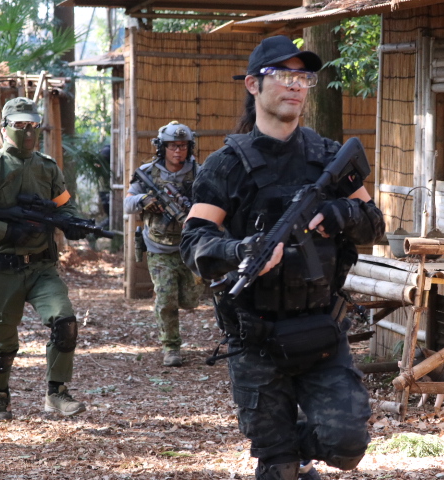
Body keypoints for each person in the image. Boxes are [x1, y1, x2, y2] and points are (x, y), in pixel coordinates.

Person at [180, 36, 386, 480]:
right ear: (253, 85)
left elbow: (374, 226)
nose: (295, 85)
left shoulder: (329, 158)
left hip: (321, 330)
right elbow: (194, 241)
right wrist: (240, 250)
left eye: (303, 77)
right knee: (279, 467)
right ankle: (284, 458)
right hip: (256, 338)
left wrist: (341, 212)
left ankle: (292, 452)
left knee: (347, 444)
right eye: (281, 75)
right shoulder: (226, 165)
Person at [0, 97, 88, 421]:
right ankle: (0, 396)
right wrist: (6, 230)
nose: (28, 132)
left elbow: (65, 207)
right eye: (20, 125)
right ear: (5, 129)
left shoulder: (47, 167)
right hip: (2, 271)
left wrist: (73, 224)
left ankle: (56, 392)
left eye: (33, 125)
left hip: (42, 267)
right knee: (3, 345)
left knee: (65, 323)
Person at [124, 121, 202, 367]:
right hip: (159, 248)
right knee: (167, 300)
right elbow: (127, 204)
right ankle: (171, 347)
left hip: (190, 247)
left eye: (183, 146)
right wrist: (143, 200)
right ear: (162, 147)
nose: (178, 151)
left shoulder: (199, 173)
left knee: (190, 299)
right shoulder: (147, 173)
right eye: (172, 146)